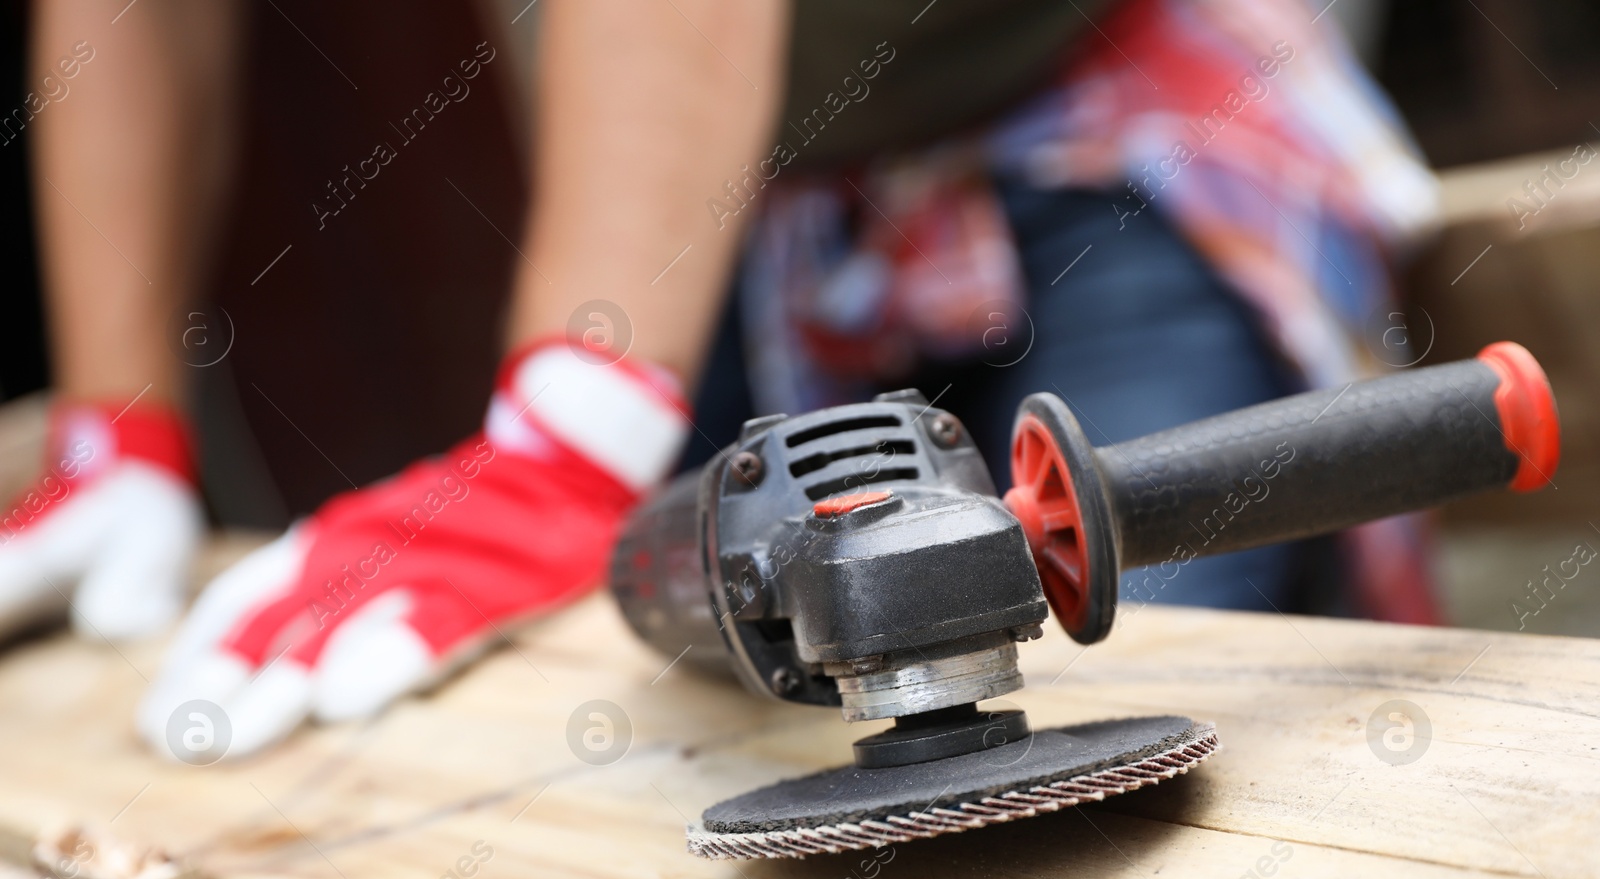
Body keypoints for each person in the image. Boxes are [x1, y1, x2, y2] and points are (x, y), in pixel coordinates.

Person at [8, 0, 1437, 760]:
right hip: (749, 191)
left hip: (1096, 102)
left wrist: (571, 430)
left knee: (1144, 672)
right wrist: (117, 422)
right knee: (664, 703)